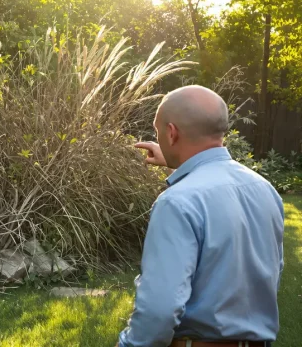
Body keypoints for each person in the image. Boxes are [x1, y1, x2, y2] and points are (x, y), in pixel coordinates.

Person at [117, 85, 284, 347]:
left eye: (158, 131)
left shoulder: (176, 203)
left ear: (171, 133)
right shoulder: (264, 189)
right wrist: (180, 160)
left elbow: (159, 309)